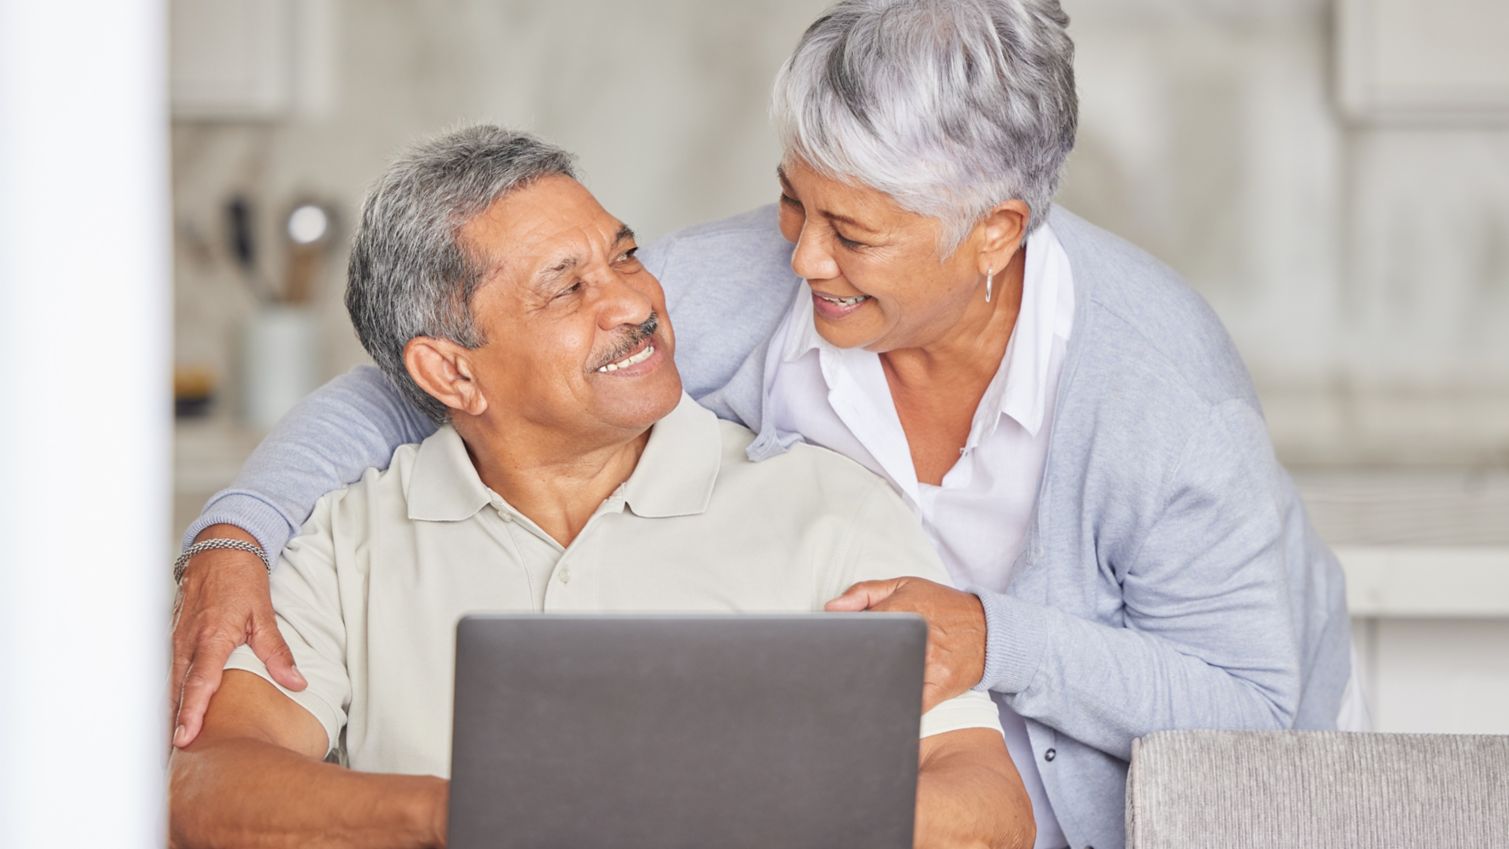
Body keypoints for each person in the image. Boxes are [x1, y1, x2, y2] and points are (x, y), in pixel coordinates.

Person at [170, 2, 1358, 848]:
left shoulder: (1161, 398)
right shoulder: (740, 284)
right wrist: (237, 530)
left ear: (993, 234)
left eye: (852, 230)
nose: (799, 256)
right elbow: (426, 376)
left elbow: (1255, 718)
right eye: (794, 200)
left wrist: (1000, 640)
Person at [167, 126, 1032, 849]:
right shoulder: (344, 539)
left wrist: (735, 823)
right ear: (449, 373)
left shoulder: (828, 508)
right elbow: (206, 786)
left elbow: (988, 806)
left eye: (624, 255)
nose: (631, 301)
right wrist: (457, 813)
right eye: (567, 288)